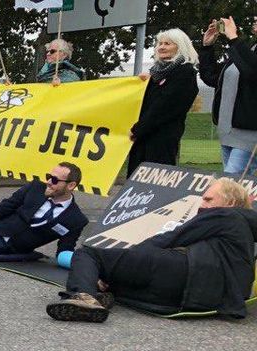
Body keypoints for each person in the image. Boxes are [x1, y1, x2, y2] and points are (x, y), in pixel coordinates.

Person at [47, 178, 257, 323]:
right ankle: (97, 296)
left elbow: (171, 238)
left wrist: (130, 256)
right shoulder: (244, 234)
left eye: (208, 199)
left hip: (182, 271)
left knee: (89, 254)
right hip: (193, 300)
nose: (202, 204)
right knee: (113, 287)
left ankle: (83, 295)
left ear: (229, 202)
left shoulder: (225, 215)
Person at [127, 28, 200, 177]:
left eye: (168, 43)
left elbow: (164, 107)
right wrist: (142, 84)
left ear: (180, 47)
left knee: (153, 184)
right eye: (160, 43)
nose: (161, 47)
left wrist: (138, 129)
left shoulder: (185, 73)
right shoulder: (155, 73)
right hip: (143, 138)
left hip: (161, 140)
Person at [199, 16, 257, 176]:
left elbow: (253, 71)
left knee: (230, 182)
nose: (254, 18)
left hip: (249, 134)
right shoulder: (248, 50)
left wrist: (233, 37)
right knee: (237, 185)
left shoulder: (244, 52)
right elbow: (212, 78)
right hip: (228, 132)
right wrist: (207, 47)